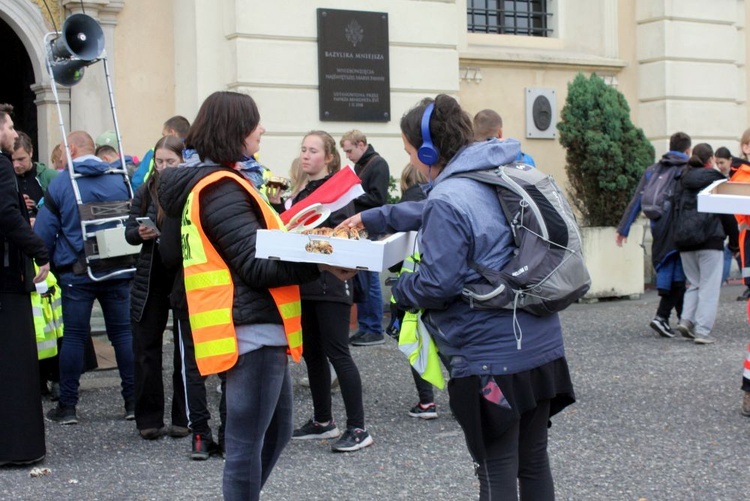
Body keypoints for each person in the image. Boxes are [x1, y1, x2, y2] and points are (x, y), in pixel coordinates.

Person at [340, 94, 575, 499]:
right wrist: (374, 216)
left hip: (491, 358)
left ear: (428, 149)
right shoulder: (497, 169)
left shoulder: (450, 196)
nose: (411, 160)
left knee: (495, 469)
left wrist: (400, 292)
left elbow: (438, 283)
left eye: (410, 150)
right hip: (541, 346)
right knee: (533, 462)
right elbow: (442, 209)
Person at [157, 91, 340, 499]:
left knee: (270, 436)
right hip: (252, 330)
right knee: (245, 449)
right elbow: (256, 266)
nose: (262, 129)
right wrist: (323, 260)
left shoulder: (215, 184)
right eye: (255, 123)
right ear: (235, 131)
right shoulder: (221, 188)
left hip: (249, 328)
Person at [34, 131, 136, 425]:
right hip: (117, 269)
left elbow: (44, 233)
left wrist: (46, 263)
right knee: (123, 335)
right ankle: (131, 402)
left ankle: (68, 407)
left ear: (73, 149)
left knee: (76, 338)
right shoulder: (120, 178)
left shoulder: (63, 183)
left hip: (76, 274)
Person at [282, 131, 373, 452]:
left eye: (313, 151)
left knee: (339, 354)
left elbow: (339, 235)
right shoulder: (298, 191)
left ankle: (359, 428)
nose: (306, 155)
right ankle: (323, 421)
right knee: (312, 355)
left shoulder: (338, 193)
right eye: (303, 149)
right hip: (303, 283)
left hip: (331, 283)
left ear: (329, 158)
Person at [125, 136, 188, 440]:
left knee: (184, 349)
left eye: (169, 162)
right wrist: (140, 231)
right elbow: (128, 233)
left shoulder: (190, 189)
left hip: (181, 275)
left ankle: (183, 416)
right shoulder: (145, 189)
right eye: (159, 162)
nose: (163, 168)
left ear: (183, 160)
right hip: (150, 275)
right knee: (146, 349)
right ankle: (148, 419)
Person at [0, 103, 51, 466]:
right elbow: (7, 215)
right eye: (8, 125)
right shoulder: (2, 166)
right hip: (6, 279)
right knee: (13, 366)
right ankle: (16, 447)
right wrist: (39, 249)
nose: (13, 131)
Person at [616, 132, 692, 338]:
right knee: (678, 273)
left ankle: (682, 319)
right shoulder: (686, 169)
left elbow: (636, 200)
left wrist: (623, 229)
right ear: (688, 150)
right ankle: (663, 317)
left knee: (672, 271)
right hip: (677, 227)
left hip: (658, 226)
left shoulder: (653, 170)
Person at [671, 143, 739, 344]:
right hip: (710, 239)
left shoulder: (681, 180)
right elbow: (727, 214)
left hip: (684, 241)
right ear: (710, 160)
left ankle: (686, 320)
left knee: (693, 283)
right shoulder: (716, 180)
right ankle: (702, 331)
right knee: (709, 286)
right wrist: (734, 243)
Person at [340, 130, 390, 346]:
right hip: (363, 226)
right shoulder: (362, 165)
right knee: (362, 279)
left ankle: (374, 328)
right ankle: (366, 326)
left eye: (349, 150)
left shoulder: (378, 164)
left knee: (369, 280)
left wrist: (350, 194)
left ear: (362, 145)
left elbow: (378, 198)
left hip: (371, 226)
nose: (348, 155)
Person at [132, 116, 190, 190]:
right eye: (160, 161)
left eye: (163, 135)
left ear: (172, 133)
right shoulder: (195, 153)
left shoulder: (155, 152)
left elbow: (138, 181)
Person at [12, 131, 59, 217]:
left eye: (21, 159)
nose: (16, 165)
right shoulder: (5, 180)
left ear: (30, 152)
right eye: (12, 160)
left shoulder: (51, 177)